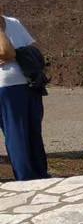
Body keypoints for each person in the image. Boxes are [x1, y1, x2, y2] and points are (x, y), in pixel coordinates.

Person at [0, 14, 48, 180]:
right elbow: (6, 52)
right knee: (17, 133)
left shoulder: (13, 22)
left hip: (29, 82)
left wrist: (16, 54)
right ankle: (25, 177)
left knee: (33, 131)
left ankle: (41, 174)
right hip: (6, 87)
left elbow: (30, 48)